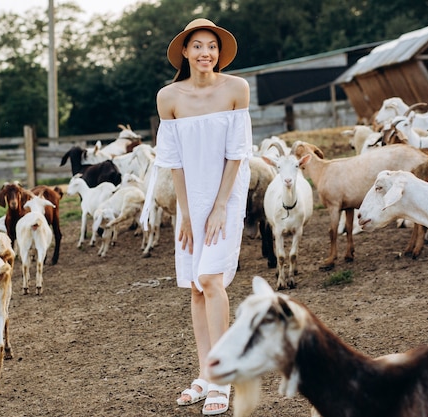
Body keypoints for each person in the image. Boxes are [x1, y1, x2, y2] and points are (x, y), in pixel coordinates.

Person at [150, 17, 252, 416]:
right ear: (185, 52)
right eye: (198, 45)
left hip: (227, 192)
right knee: (195, 285)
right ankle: (206, 371)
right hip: (191, 197)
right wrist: (187, 213)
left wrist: (220, 206)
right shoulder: (169, 97)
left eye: (212, 45)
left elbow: (237, 152)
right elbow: (173, 161)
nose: (205, 52)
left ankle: (223, 377)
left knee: (211, 278)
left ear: (219, 52)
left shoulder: (236, 89)